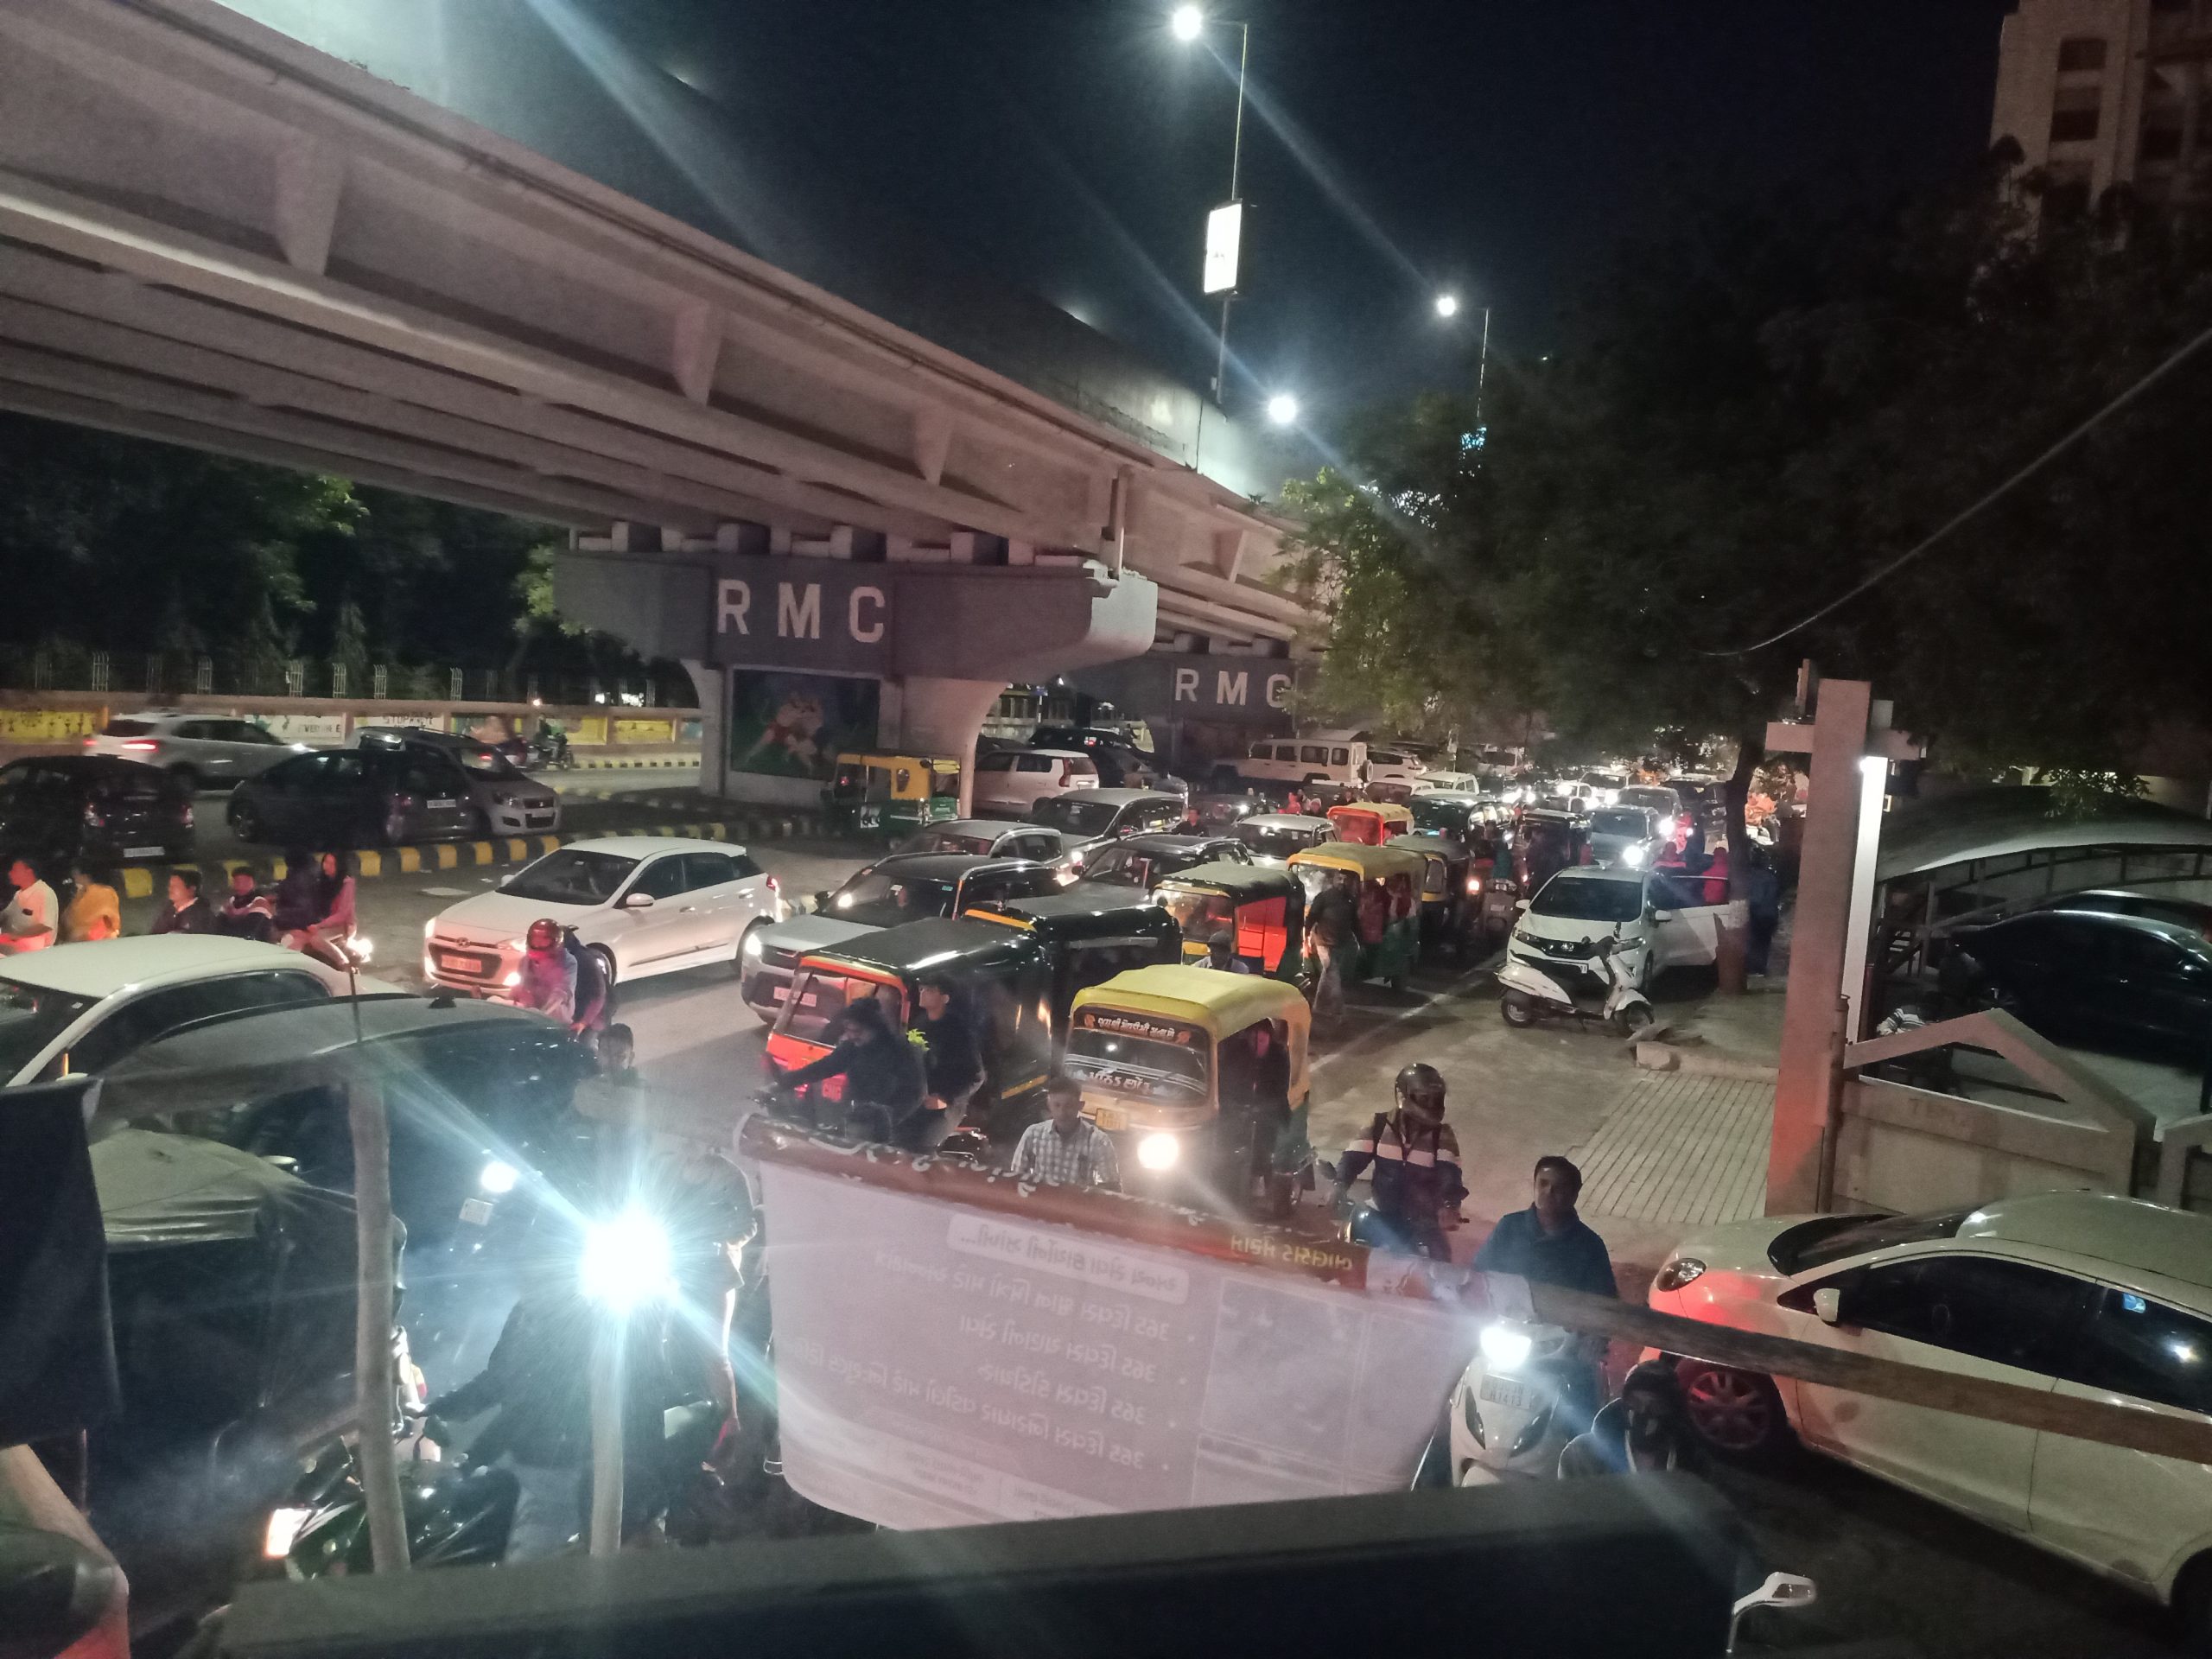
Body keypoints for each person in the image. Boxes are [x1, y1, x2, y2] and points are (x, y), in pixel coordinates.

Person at [1471, 1156, 1618, 1433]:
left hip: (1560, 1345)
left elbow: (1605, 1300)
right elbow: (1480, 1274)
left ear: (1574, 1195)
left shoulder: (1589, 1245)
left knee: (1582, 1409)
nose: (1549, 1193)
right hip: (1507, 1333)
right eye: (1543, 1184)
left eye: (1559, 1187)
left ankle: (1578, 1449)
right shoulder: (1509, 1227)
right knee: (1459, 1381)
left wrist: (1594, 1338)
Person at [1331, 1062, 1464, 1261]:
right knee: (1345, 1251)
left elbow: (1450, 1174)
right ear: (1403, 1096)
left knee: (1441, 1261)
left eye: (1436, 1099)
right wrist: (1339, 1184)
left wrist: (1449, 1205)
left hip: (1423, 1219)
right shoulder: (1379, 1124)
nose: (1432, 1104)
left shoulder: (1442, 1135)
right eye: (1425, 1098)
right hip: (1379, 1210)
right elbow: (1353, 1158)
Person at [772, 995, 927, 1145]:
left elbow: (915, 1093)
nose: (852, 1036)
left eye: (858, 1031)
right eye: (848, 1030)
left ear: (875, 1028)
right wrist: (785, 1082)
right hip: (855, 1122)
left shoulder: (901, 1051)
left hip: (892, 1132)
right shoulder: (851, 1049)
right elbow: (823, 1067)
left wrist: (888, 1118)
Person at [1556, 1360, 1694, 1479]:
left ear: (1671, 1410)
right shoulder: (1581, 1456)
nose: (1643, 1412)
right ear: (1623, 1403)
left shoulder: (1693, 1462)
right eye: (1635, 1402)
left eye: (1655, 1405)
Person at [1007, 1077, 1121, 1191]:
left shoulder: (1098, 1141)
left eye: (1069, 1106)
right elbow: (1016, 1178)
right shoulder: (1033, 1134)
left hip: (1077, 1201)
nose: (1062, 1113)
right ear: (1049, 1105)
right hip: (1040, 1200)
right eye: (1057, 1105)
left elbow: (1111, 1186)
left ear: (1080, 1106)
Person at [912, 976, 982, 1148]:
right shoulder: (919, 1023)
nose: (923, 993)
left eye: (930, 990)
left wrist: (945, 1099)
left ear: (945, 998)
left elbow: (976, 1076)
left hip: (947, 1106)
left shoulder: (959, 1031)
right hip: (918, 1099)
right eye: (921, 989)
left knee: (922, 1143)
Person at [1304, 870, 1358, 1020]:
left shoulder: (1350, 900)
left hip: (1340, 943)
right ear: (1333, 879)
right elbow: (1311, 918)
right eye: (1339, 878)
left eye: (1345, 880)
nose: (1342, 882)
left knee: (1329, 974)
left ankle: (1319, 1008)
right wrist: (1306, 937)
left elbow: (1354, 923)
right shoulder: (1324, 897)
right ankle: (1336, 1011)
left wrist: (1359, 941)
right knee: (1332, 973)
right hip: (1323, 941)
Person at [283, 850, 355, 963]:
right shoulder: (321, 880)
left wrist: (320, 925)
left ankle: (343, 963)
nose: (327, 866)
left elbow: (342, 915)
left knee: (316, 939)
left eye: (332, 864)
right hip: (320, 922)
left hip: (341, 926)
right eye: (326, 862)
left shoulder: (346, 883)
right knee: (295, 936)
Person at [512, 917, 578, 1024]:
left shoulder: (568, 962)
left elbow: (561, 993)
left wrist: (541, 1014)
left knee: (557, 1009)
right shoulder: (525, 961)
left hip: (555, 1018)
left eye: (543, 941)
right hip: (529, 1013)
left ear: (556, 942)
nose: (537, 945)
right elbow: (521, 988)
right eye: (535, 940)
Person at [563, 927, 610, 1050]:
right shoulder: (566, 958)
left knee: (584, 1048)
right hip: (577, 1014)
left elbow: (598, 996)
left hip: (592, 1017)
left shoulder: (583, 961)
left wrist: (584, 1022)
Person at [0, 857, 57, 955]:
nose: (10, 873)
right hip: (13, 945)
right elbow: (6, 914)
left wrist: (16, 936)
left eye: (15, 870)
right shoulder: (19, 894)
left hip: (34, 951)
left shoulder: (45, 893)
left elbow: (46, 926)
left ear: (29, 872)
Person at [60, 859, 120, 944]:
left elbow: (102, 919)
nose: (75, 879)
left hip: (98, 944)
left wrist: (81, 935)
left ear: (85, 876)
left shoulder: (103, 893)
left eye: (76, 875)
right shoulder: (80, 894)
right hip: (79, 944)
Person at [214, 865, 277, 943]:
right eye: (237, 882)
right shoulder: (229, 902)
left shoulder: (259, 902)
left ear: (254, 883)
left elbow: (248, 931)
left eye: (245, 882)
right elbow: (217, 928)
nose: (240, 886)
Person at [1745, 846, 1782, 976]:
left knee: (1755, 942)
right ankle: (1760, 968)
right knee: (1764, 943)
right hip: (1770, 915)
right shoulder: (1770, 877)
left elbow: (1756, 898)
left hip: (1758, 915)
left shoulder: (1753, 877)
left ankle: (1754, 968)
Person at [149, 868, 214, 934]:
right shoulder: (167, 910)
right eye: (170, 886)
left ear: (192, 889)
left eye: (175, 886)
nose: (170, 889)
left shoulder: (203, 915)